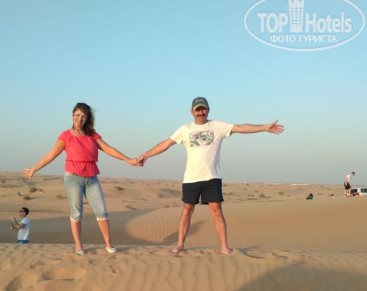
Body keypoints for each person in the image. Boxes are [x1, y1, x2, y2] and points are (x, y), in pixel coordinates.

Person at [138, 96, 284, 255]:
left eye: (203, 109)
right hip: (191, 178)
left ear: (208, 110)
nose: (201, 112)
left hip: (212, 178)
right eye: (198, 110)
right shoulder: (185, 129)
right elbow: (166, 144)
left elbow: (241, 127)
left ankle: (224, 247)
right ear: (192, 111)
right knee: (187, 211)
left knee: (217, 212)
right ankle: (180, 245)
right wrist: (146, 155)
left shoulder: (218, 126)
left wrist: (264, 127)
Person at [23, 102, 141, 254]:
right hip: (73, 177)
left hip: (92, 177)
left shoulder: (92, 135)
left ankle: (109, 244)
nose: (80, 119)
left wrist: (128, 160)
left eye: (83, 116)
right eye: (78, 115)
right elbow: (51, 155)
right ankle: (79, 246)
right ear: (73, 115)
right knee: (77, 213)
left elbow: (108, 149)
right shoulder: (65, 136)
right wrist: (34, 168)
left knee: (102, 211)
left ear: (87, 119)